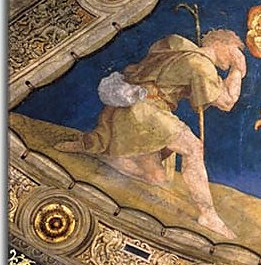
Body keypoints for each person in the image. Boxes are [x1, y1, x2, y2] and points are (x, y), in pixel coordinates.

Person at [55, 29, 246, 238]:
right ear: (218, 43)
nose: (234, 57)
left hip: (126, 110)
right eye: (233, 51)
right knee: (193, 148)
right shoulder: (201, 65)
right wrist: (237, 70)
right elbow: (227, 102)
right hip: (144, 112)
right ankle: (208, 215)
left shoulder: (177, 46)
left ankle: (101, 152)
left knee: (157, 178)